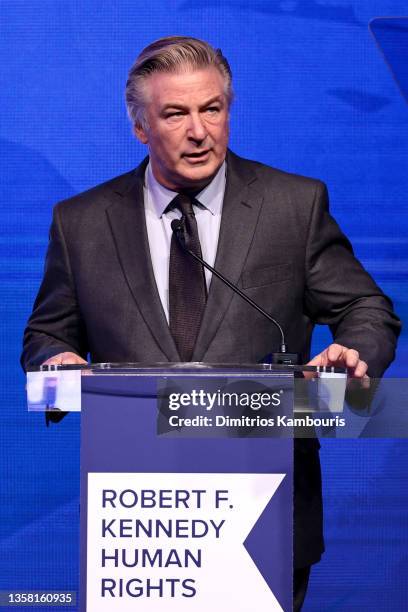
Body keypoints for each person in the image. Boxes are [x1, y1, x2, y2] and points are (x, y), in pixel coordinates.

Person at [21, 36, 400, 610]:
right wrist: (57, 362)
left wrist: (353, 349)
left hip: (265, 516)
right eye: (176, 113)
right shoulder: (82, 223)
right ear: (140, 127)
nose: (200, 131)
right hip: (143, 531)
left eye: (212, 108)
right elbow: (46, 333)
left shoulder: (293, 206)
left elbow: (368, 309)